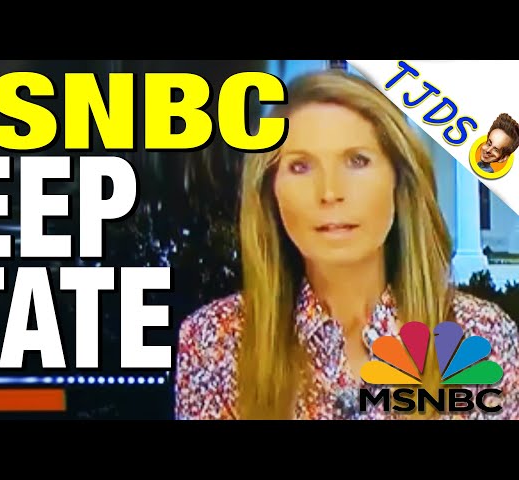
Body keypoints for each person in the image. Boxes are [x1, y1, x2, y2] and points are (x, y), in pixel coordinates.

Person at [174, 69, 519, 420]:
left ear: (398, 181)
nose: (329, 192)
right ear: (270, 190)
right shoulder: (215, 341)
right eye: (300, 166)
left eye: (357, 161)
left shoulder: (480, 336)